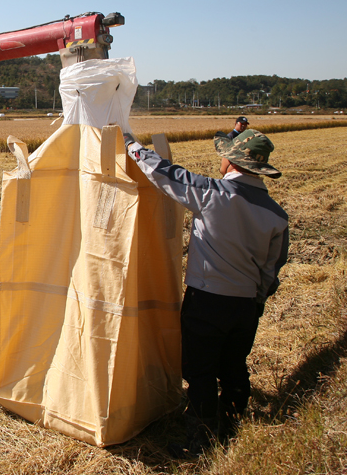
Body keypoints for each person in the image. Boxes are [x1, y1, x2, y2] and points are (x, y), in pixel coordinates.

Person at [123, 129, 289, 458]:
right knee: (234, 366)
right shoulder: (277, 216)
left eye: (224, 155)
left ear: (232, 163)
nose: (221, 159)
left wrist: (131, 145)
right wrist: (255, 304)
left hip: (207, 301)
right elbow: (272, 271)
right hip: (245, 307)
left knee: (199, 373)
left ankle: (200, 442)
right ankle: (232, 429)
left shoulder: (212, 193)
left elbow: (164, 173)